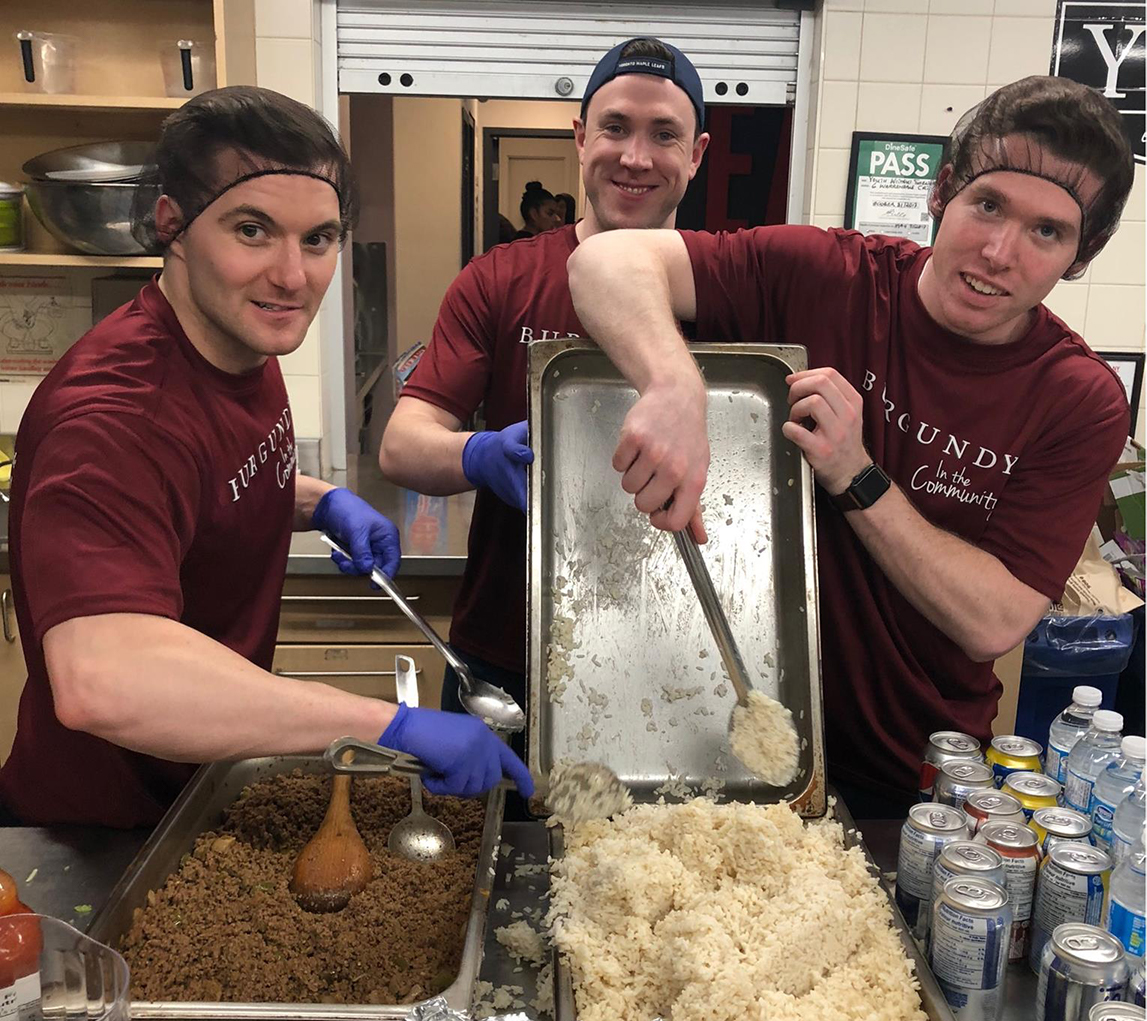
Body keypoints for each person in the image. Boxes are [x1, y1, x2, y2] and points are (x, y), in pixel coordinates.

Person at [565, 75, 1134, 816]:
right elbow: (605, 264)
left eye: (1045, 231)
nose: (998, 251)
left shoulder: (1075, 398)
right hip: (720, 737)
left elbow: (992, 618)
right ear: (942, 194)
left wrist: (855, 474)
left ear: (1080, 255)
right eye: (986, 206)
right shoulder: (832, 277)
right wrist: (672, 385)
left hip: (904, 774)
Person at [0, 86, 532, 828]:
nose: (292, 275)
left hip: (193, 787)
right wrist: (388, 725)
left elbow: (197, 485)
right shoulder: (113, 414)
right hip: (96, 831)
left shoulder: (238, 342)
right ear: (171, 225)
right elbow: (104, 679)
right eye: (252, 230)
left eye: (316, 238)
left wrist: (315, 502)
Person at [378, 38, 710, 750]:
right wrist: (477, 455)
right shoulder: (500, 279)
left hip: (671, 656)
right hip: (505, 647)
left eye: (664, 135)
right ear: (579, 136)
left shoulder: (735, 288)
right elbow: (402, 445)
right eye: (615, 127)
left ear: (697, 154)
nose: (635, 156)